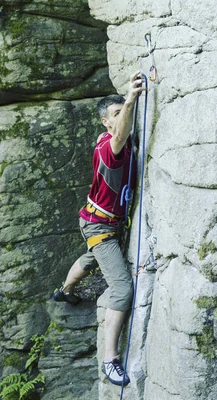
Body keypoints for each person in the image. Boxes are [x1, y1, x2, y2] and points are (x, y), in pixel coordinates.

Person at [52, 72, 145, 387]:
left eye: (123, 112)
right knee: (121, 288)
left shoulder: (112, 140)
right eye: (116, 115)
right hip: (100, 224)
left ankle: (64, 291)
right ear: (106, 123)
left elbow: (124, 133)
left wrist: (129, 105)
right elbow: (120, 137)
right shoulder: (110, 148)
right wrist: (130, 100)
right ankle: (110, 359)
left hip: (96, 220)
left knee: (92, 257)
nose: (122, 119)